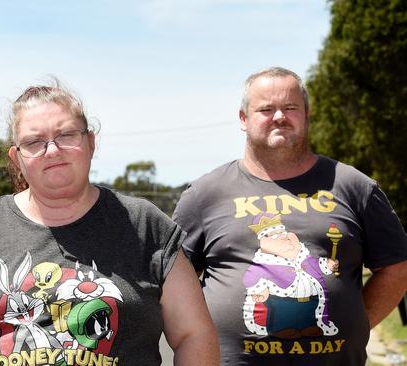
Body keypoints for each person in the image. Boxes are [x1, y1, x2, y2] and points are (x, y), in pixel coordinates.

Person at [0, 80, 219, 366]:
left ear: (91, 142)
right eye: (34, 142)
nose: (52, 150)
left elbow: (194, 334)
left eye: (66, 135)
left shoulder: (145, 225)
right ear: (17, 158)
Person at [172, 66, 407, 365]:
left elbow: (396, 268)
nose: (279, 117)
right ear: (243, 119)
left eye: (290, 107)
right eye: (266, 109)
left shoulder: (355, 187)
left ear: (307, 115)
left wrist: (356, 324)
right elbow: (173, 282)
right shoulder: (204, 194)